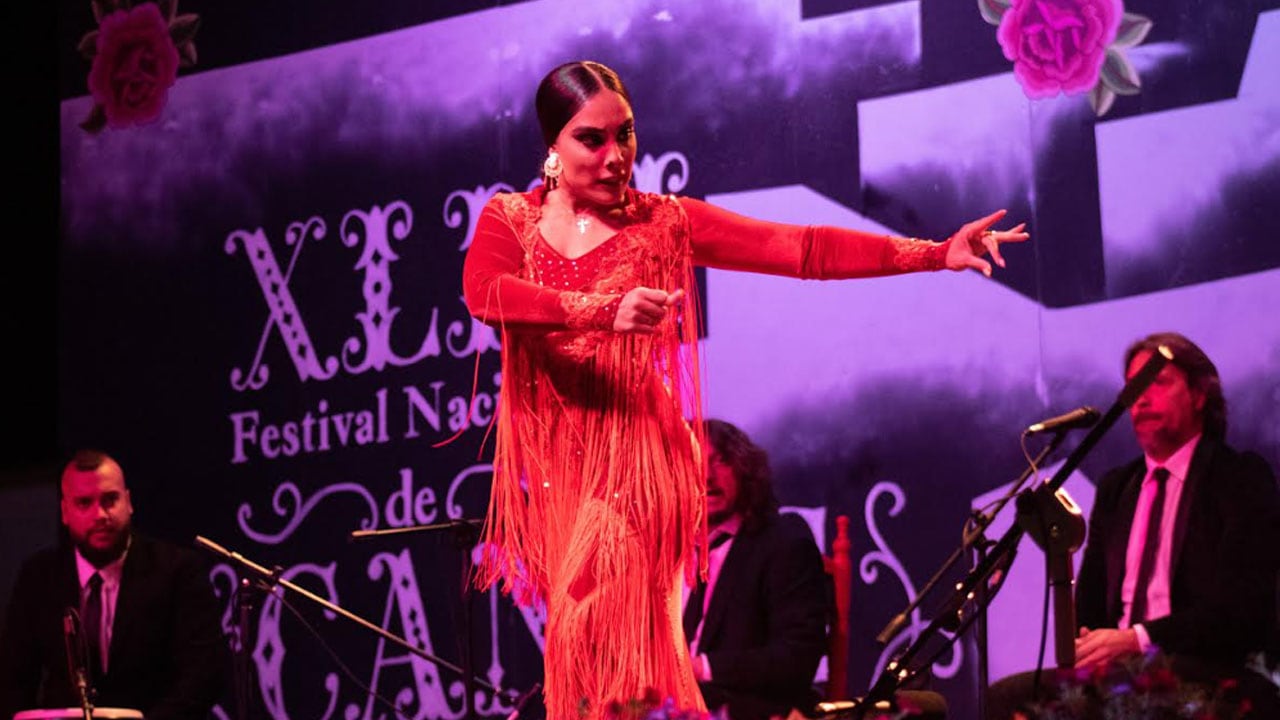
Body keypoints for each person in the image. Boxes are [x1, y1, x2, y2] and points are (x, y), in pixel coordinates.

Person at [463, 59, 1029, 720]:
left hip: (642, 462)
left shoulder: (663, 222)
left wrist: (933, 252)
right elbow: (486, 295)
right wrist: (597, 309)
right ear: (553, 150)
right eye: (593, 139)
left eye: (627, 134)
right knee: (597, 678)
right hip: (562, 473)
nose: (617, 156)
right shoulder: (510, 220)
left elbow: (803, 249)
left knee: (609, 635)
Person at [986, 332, 1280, 719]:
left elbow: (1241, 613)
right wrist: (1091, 642)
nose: (1141, 399)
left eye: (1157, 383)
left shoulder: (1238, 478)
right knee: (1006, 698)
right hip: (1120, 672)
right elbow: (1089, 610)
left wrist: (1137, 641)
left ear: (1199, 395)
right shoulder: (1117, 488)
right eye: (1132, 388)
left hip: (1202, 668)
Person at [0, 450, 230, 720]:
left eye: (110, 500)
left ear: (128, 502)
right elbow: (12, 680)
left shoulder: (177, 570)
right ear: (65, 512)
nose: (100, 515)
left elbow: (203, 675)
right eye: (84, 503)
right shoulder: (39, 576)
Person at [684, 419, 829, 720]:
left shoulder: (784, 542)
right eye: (694, 461)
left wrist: (702, 667)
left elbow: (795, 659)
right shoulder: (667, 552)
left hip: (749, 709)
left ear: (745, 470)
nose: (707, 476)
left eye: (721, 461)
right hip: (673, 704)